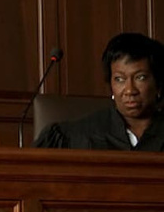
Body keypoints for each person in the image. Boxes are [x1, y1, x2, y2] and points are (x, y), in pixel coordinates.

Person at [33, 32, 164, 150]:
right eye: (119, 79)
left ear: (158, 85)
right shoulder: (77, 135)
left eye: (140, 77)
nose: (130, 90)